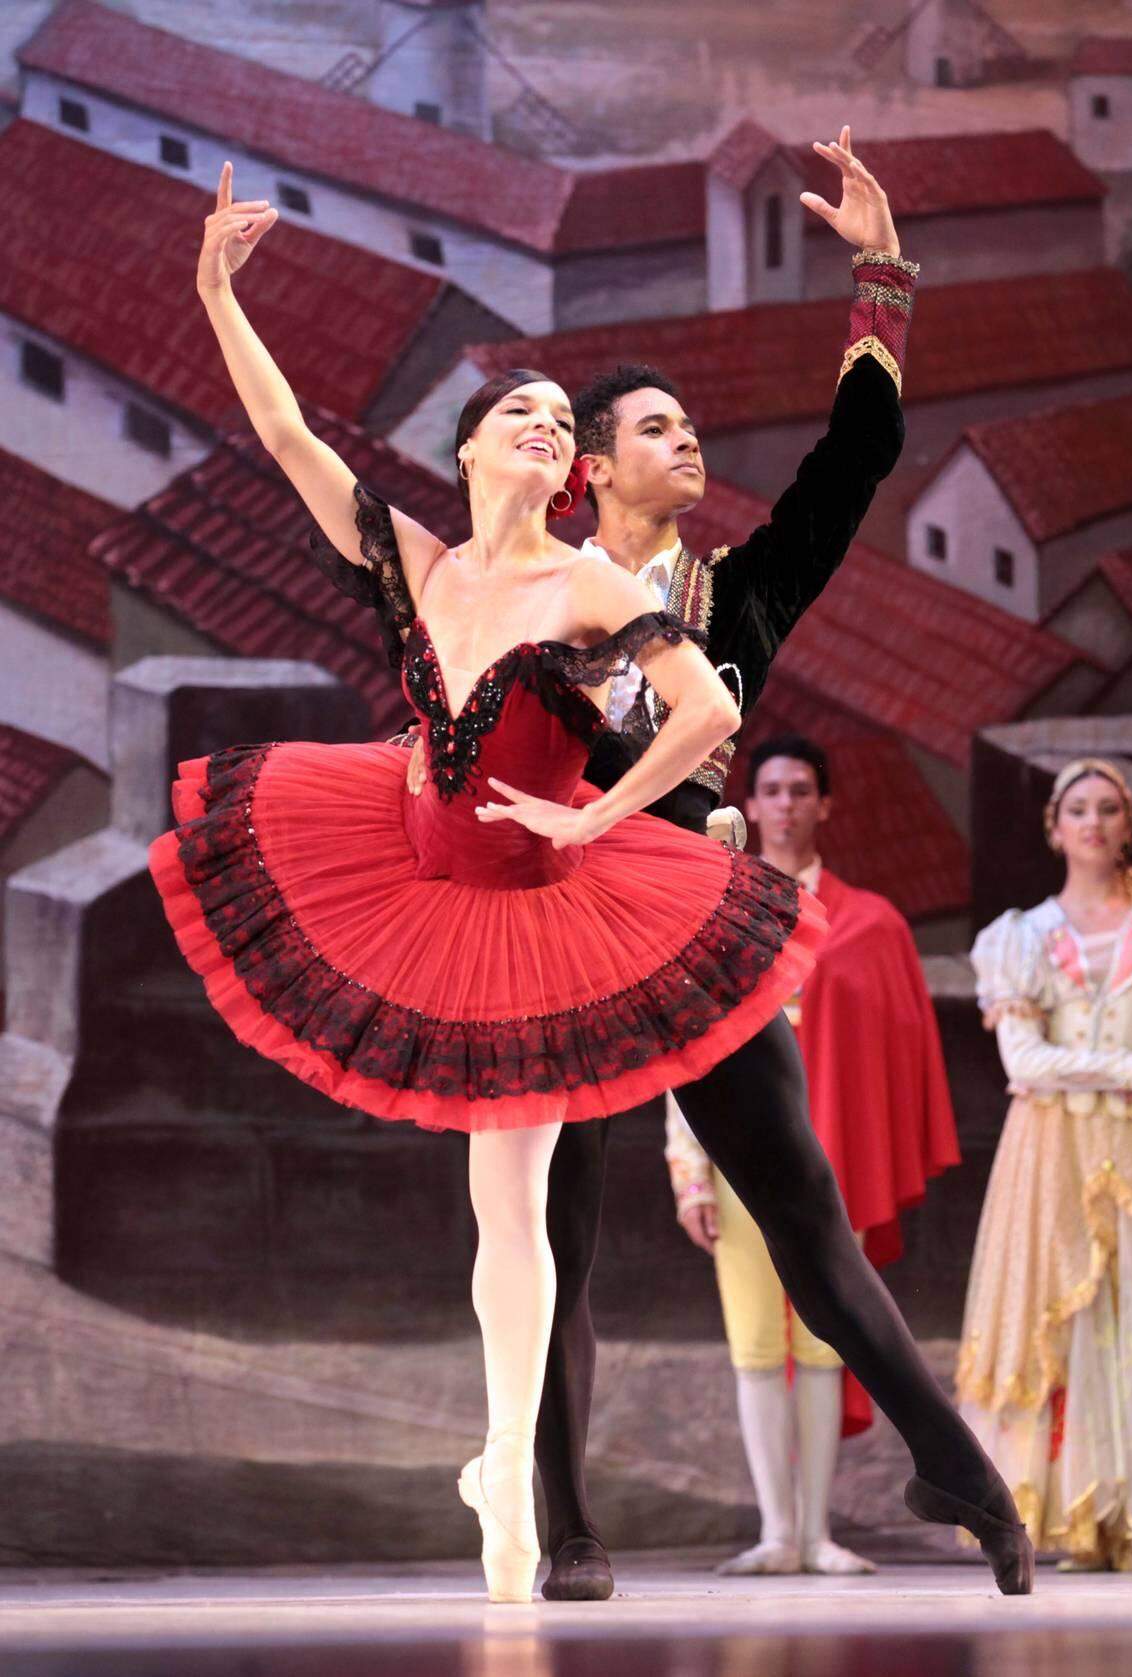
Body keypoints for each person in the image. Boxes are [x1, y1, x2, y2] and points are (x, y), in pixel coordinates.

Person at [149, 160, 833, 1604]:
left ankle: (506, 1495)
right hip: (400, 871)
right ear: (468, 453)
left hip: (531, 908)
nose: (539, 426)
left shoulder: (588, 583)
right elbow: (283, 430)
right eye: (513, 413)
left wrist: (599, 823)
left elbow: (707, 713)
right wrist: (215, 285)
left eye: (553, 421)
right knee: (493, 1210)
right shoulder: (413, 563)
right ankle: (503, 1467)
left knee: (512, 1204)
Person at [400, 129, 1033, 1601]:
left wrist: (882, 275)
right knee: (558, 1223)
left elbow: (857, 454)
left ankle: (957, 1466)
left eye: (691, 431)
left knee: (800, 1201)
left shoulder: (734, 595)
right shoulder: (545, 595)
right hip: (553, 912)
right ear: (596, 467)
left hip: (688, 917)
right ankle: (561, 1519)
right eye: (660, 431)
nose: (688, 447)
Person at [664, 736, 960, 1576]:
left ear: (824, 803)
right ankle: (776, 1532)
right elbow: (682, 1044)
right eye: (772, 790)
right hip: (737, 1155)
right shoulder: (718, 905)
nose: (787, 804)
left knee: (830, 1340)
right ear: (748, 805)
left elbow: (896, 1054)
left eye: (802, 789)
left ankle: (820, 1531)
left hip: (835, 1162)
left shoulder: (868, 923)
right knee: (757, 1342)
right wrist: (689, 1173)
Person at [958, 758, 1132, 1572]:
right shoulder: (1022, 936)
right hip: (1052, 1147)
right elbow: (1024, 1059)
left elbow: (1045, 1056)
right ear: (1053, 826)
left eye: (1108, 807)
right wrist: (1130, 1068)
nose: (1093, 822)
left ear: (1128, 822)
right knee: (1060, 1316)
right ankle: (1071, 1511)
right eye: (1078, 808)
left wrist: (1090, 1063)